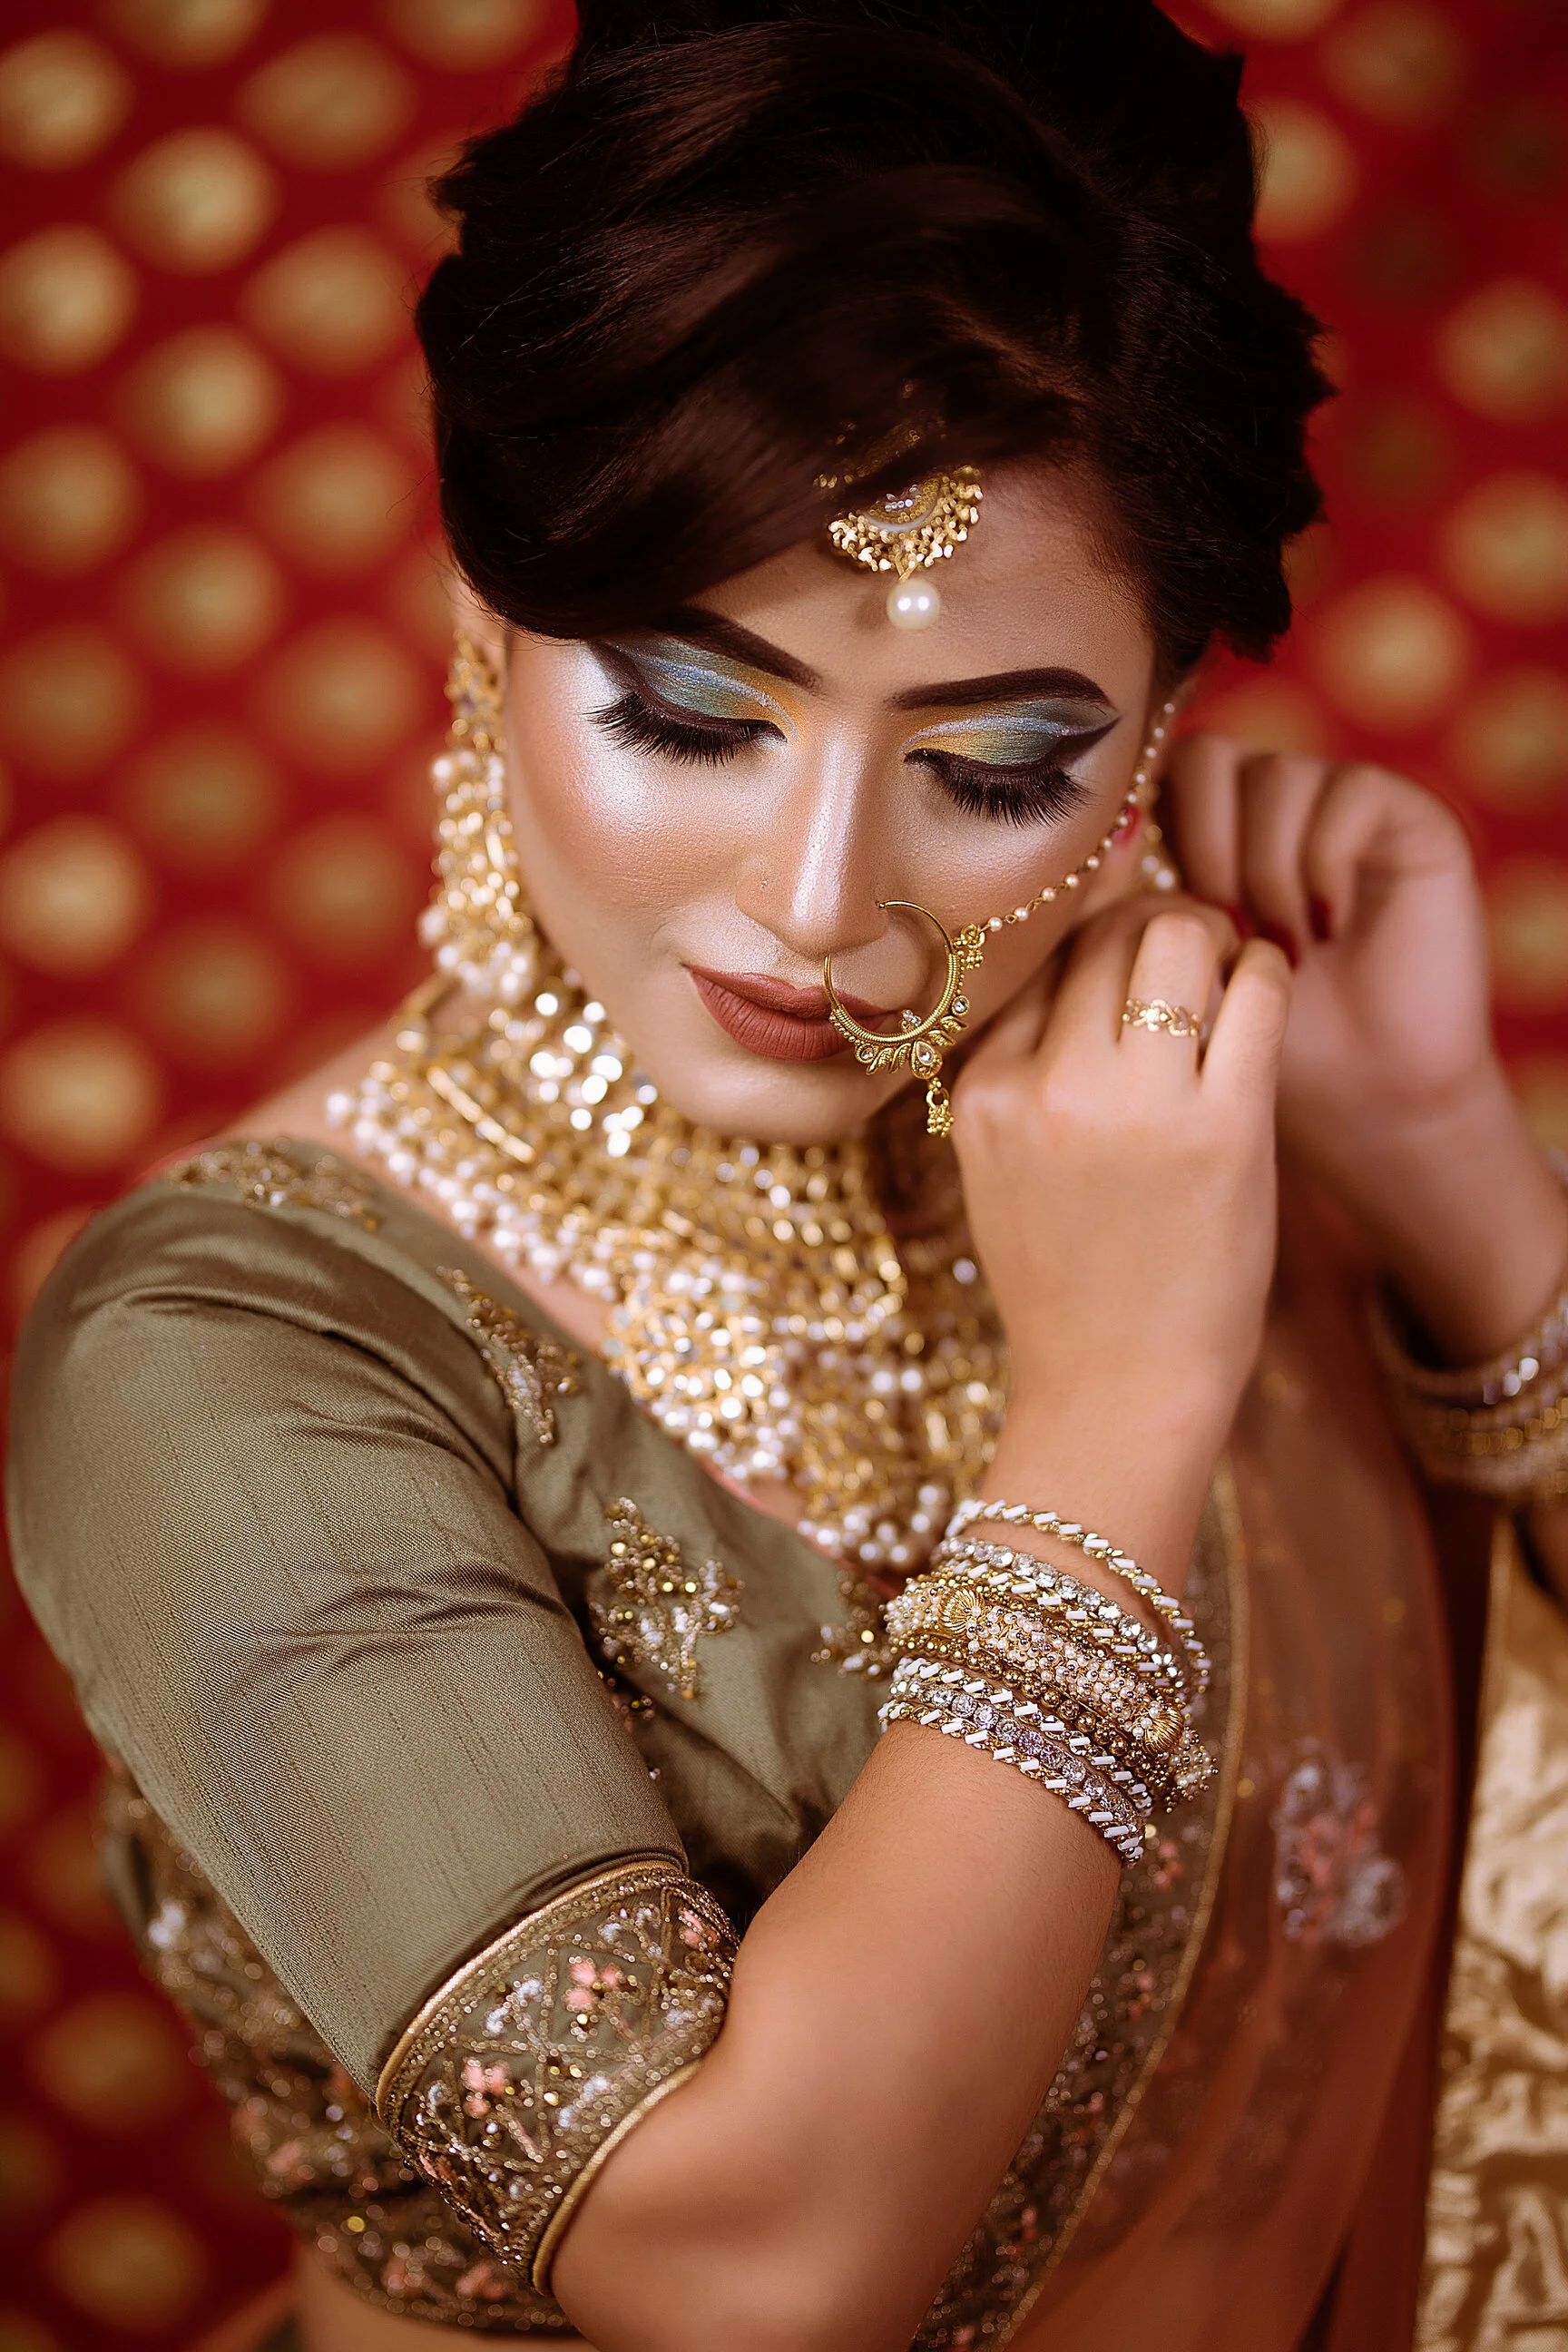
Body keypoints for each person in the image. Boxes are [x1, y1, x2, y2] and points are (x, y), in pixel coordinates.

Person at [8, 2, 1567, 2347]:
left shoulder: (1193, 1119)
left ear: (1155, 739)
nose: (813, 901)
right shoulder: (237, 1352)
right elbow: (747, 2266)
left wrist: (1448, 1177)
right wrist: (1119, 1419)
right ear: (483, 622)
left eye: (1001, 762)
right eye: (689, 713)